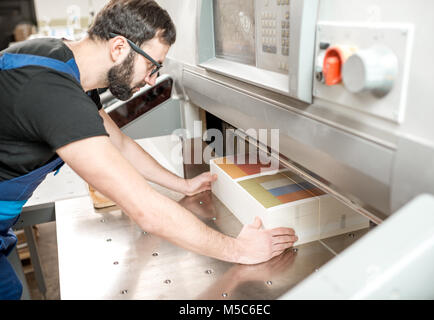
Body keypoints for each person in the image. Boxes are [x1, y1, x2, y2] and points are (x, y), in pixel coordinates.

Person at [0, 0, 297, 300]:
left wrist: (183, 184)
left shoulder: (62, 62)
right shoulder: (54, 93)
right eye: (152, 65)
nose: (152, 79)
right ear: (118, 48)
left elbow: (121, 145)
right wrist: (239, 249)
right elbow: (145, 211)